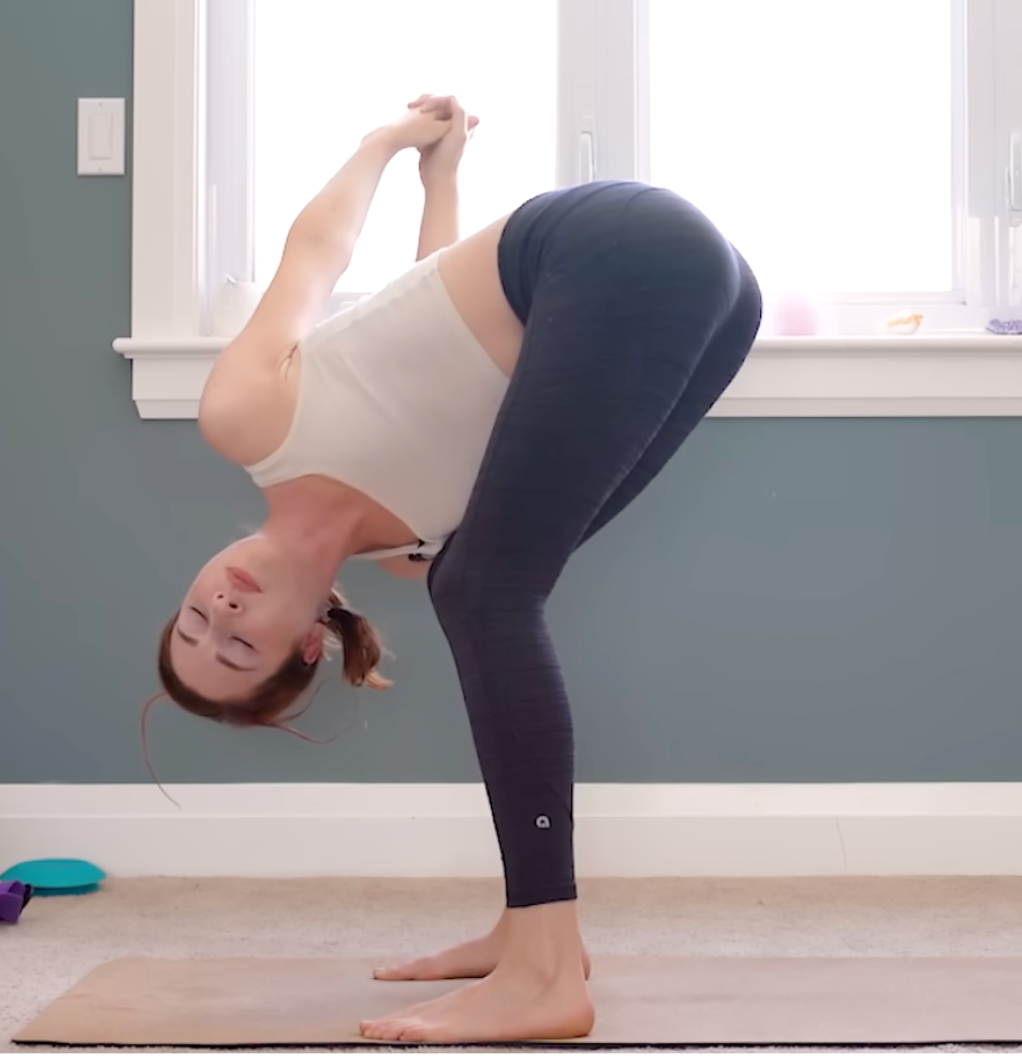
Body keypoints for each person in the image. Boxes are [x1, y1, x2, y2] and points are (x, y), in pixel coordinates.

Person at [154, 94, 760, 1043]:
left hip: (607, 245)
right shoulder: (415, 551)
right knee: (472, 577)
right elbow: (436, 315)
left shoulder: (245, 421)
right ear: (308, 646)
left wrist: (387, 148)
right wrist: (448, 187)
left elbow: (316, 258)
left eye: (194, 621)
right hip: (715, 300)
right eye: (234, 647)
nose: (220, 610)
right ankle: (533, 933)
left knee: (483, 589)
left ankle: (545, 969)